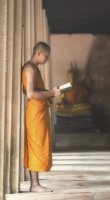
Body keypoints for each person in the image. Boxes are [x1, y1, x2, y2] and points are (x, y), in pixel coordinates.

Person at [22, 42, 61, 192]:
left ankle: (35, 184)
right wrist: (51, 93)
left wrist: (50, 92)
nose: (47, 59)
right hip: (35, 112)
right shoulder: (30, 68)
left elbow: (36, 91)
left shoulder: (34, 68)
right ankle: (34, 185)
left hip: (39, 111)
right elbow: (31, 94)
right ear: (39, 53)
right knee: (36, 146)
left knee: (39, 144)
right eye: (46, 56)